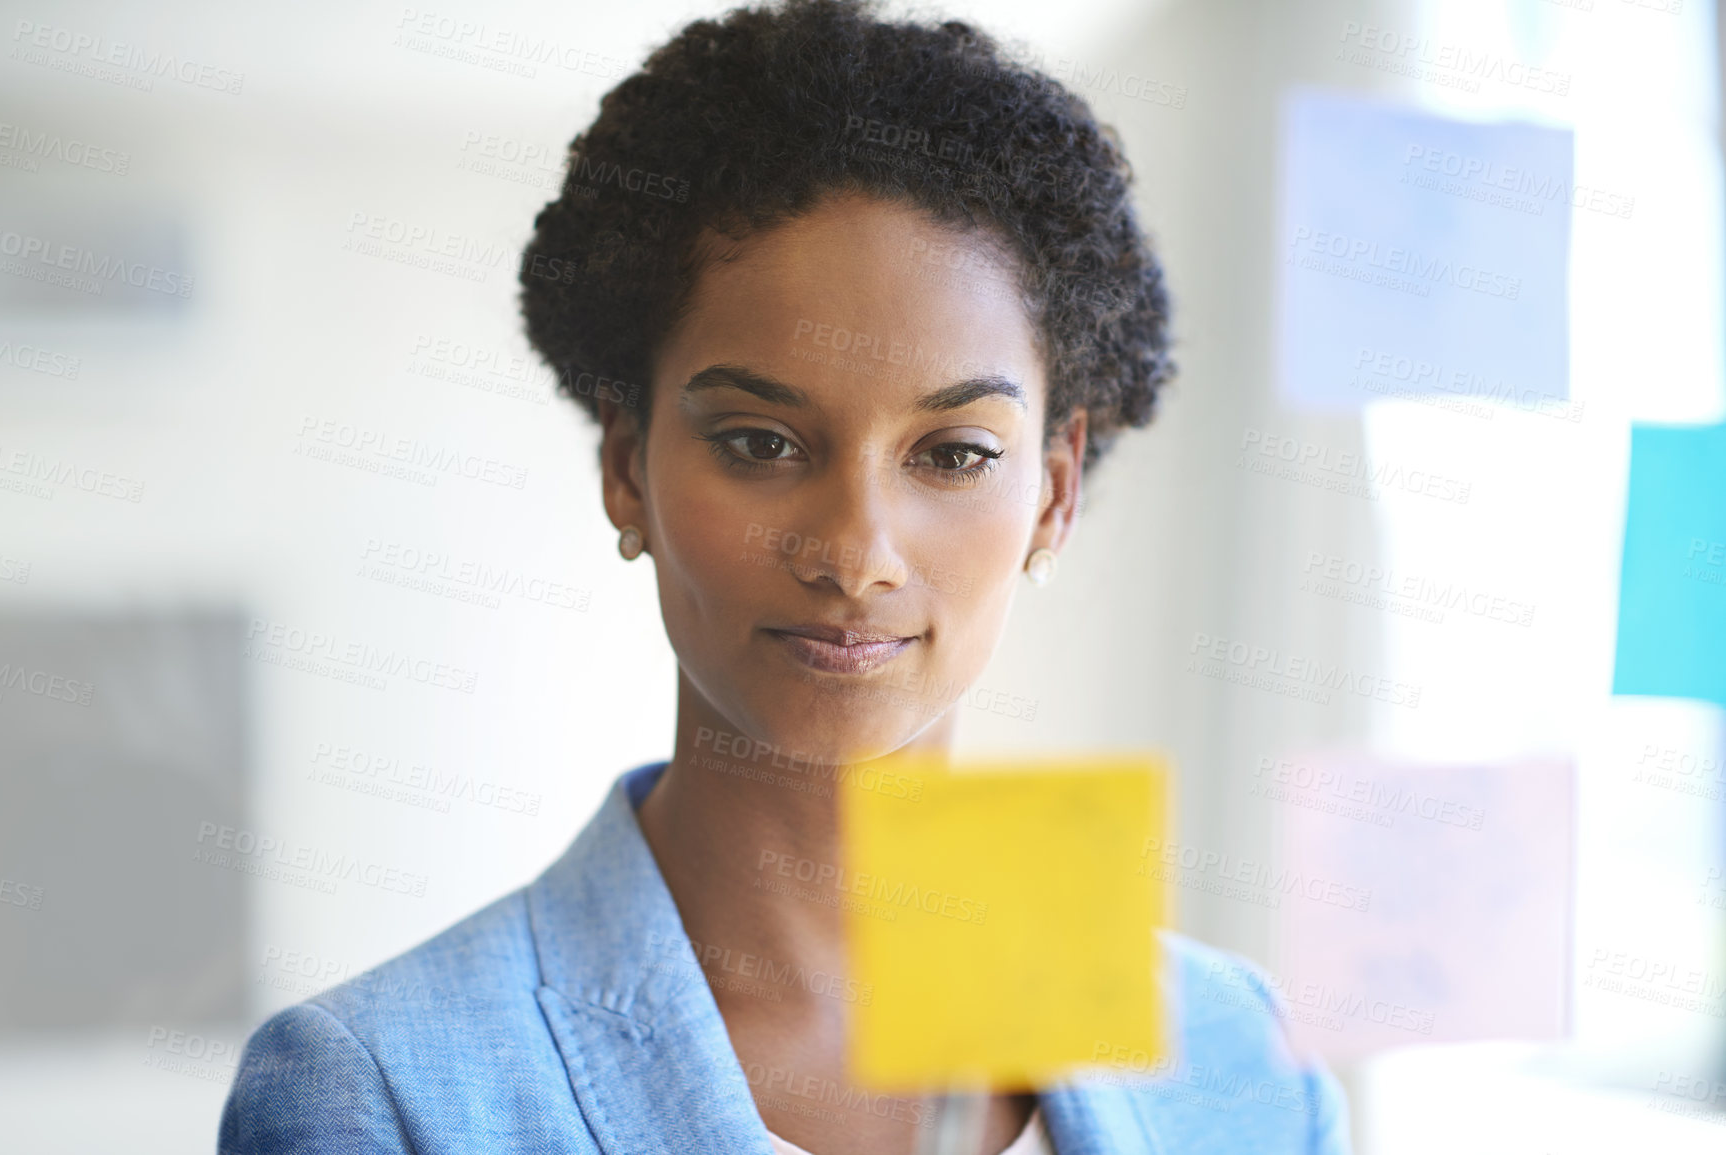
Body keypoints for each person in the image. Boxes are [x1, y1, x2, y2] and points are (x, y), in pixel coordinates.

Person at [219, 1, 1349, 1151]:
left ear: (1052, 494)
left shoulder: (1237, 1058)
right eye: (761, 441)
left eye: (954, 455)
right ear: (626, 465)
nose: (856, 555)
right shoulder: (385, 1090)